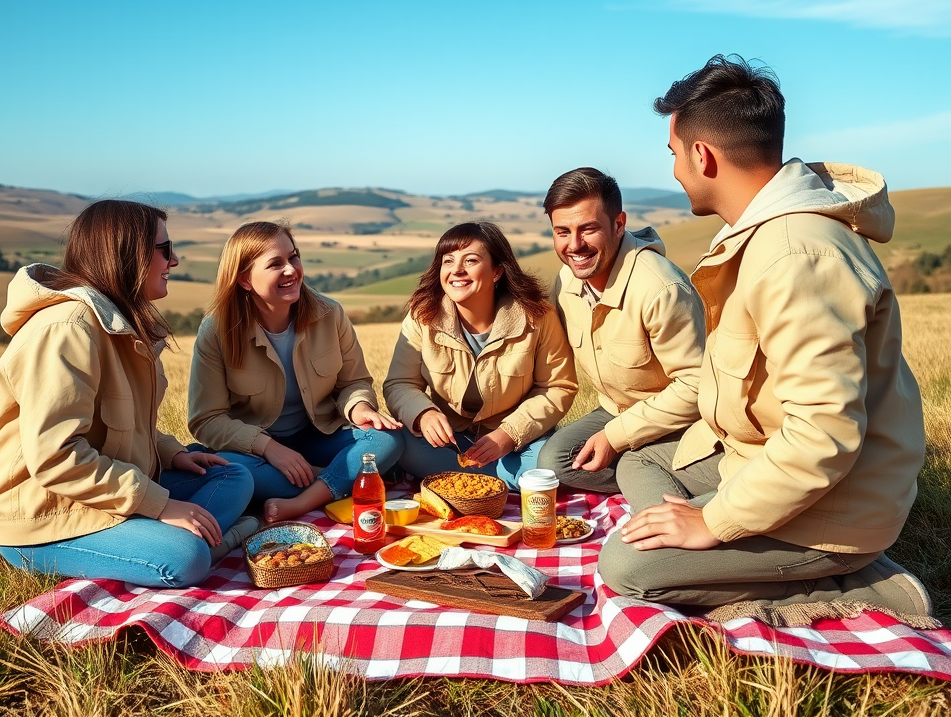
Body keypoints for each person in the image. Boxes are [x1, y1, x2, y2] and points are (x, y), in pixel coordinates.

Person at [600, 54, 931, 623]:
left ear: (702, 155)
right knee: (639, 464)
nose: (676, 171)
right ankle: (713, 543)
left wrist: (712, 522)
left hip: (837, 505)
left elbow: (823, 435)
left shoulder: (794, 255)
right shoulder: (761, 234)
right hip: (752, 459)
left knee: (628, 567)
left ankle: (870, 589)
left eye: (675, 155)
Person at [0, 200, 257, 589]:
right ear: (128, 255)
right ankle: (205, 542)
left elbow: (119, 425)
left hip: (101, 493)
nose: (174, 261)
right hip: (44, 517)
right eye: (165, 250)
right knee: (185, 557)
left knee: (233, 475)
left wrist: (173, 454)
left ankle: (173, 536)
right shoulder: (67, 330)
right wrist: (161, 505)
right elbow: (56, 458)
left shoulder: (119, 323)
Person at [188, 221, 404, 522]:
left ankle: (304, 499)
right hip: (258, 453)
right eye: (275, 264)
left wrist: (360, 408)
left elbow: (354, 382)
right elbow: (206, 420)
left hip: (320, 437)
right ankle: (335, 479)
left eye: (294, 257)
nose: (291, 270)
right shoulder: (216, 331)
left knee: (386, 441)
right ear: (244, 280)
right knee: (230, 470)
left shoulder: (330, 314)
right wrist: (269, 448)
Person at [536, 168, 705, 493]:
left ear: (618, 224)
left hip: (681, 422)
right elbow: (544, 353)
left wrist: (617, 438)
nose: (575, 245)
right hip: (616, 409)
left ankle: (659, 473)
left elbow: (697, 387)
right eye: (562, 232)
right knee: (553, 462)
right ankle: (651, 474)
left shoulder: (661, 288)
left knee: (630, 464)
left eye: (588, 229)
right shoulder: (566, 281)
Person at [383, 221, 577, 490]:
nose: (456, 271)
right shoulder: (421, 317)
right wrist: (423, 414)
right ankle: (496, 482)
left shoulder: (538, 316)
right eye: (448, 261)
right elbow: (399, 384)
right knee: (389, 442)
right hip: (449, 442)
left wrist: (509, 434)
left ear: (497, 271)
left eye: (470, 260)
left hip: (517, 444)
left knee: (550, 464)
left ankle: (458, 483)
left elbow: (557, 387)